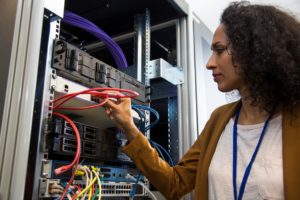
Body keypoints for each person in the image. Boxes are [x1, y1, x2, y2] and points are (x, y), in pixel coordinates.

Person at [104, 1, 300, 199]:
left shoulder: (294, 121)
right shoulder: (219, 119)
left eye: (220, 50)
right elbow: (175, 183)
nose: (209, 63)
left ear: (253, 51)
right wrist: (129, 127)